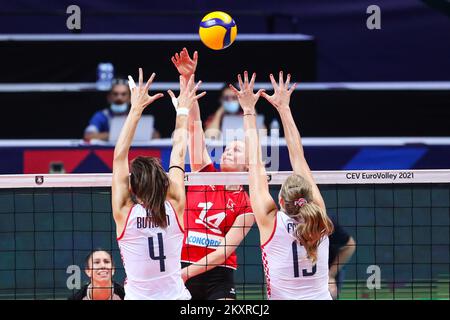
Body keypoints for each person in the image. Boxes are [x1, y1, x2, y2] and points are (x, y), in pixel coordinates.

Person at [234, 70, 334, 300]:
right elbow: (298, 158)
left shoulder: (270, 221)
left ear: (280, 201)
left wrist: (248, 110)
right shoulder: (319, 217)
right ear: (309, 197)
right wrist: (284, 108)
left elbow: (255, 164)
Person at [111, 68, 205, 299]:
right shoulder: (175, 205)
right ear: (163, 183)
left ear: (132, 187)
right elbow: (178, 152)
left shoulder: (125, 212)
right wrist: (182, 110)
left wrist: (136, 108)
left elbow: (119, 156)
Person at [171, 48, 255, 300]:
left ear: (249, 166)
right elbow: (194, 128)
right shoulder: (204, 173)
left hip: (218, 273)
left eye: (238, 150)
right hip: (182, 260)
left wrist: (185, 274)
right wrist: (187, 78)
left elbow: (223, 251)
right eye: (229, 147)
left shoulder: (247, 206)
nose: (229, 151)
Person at [84, 78, 160, 141]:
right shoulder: (101, 116)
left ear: (130, 98)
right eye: (115, 94)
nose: (119, 98)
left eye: (123, 94)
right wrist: (115, 135)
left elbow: (156, 136)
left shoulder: (135, 115)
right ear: (109, 97)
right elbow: (88, 136)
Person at [328, 216, 356, 299]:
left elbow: (350, 246)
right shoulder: (288, 224)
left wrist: (330, 276)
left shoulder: (327, 222)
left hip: (328, 268)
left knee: (330, 292)